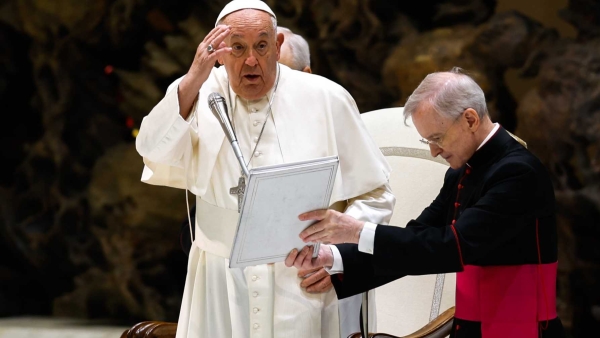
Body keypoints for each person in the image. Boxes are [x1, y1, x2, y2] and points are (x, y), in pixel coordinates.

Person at [135, 1, 395, 337]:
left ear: (278, 45)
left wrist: (338, 257)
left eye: (261, 45)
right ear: (219, 52)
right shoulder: (199, 94)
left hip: (303, 274)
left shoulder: (327, 98)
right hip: (220, 279)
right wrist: (193, 78)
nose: (251, 61)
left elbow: (376, 193)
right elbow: (151, 149)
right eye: (238, 48)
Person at [285, 68, 566, 337]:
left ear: (470, 119)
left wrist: (356, 230)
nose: (433, 151)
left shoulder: (518, 172)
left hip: (520, 327)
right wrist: (336, 260)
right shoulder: (461, 172)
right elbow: (417, 239)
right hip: (472, 327)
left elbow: (451, 247)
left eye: (437, 138)